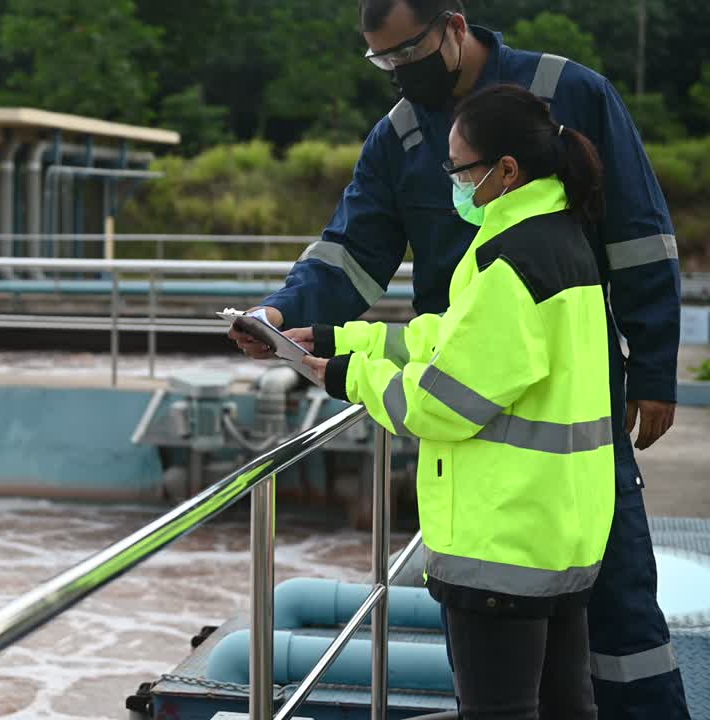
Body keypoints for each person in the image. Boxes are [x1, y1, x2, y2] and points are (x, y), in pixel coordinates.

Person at [228, 1, 689, 717]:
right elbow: (354, 252)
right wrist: (290, 315)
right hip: (484, 453)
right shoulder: (401, 135)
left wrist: (655, 369)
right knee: (543, 664)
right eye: (382, 61)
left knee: (615, 623)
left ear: (455, 24)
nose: (399, 74)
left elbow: (639, 240)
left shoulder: (569, 93)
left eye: (407, 53)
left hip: (555, 412)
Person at [304, 82, 613, 719]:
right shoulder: (558, 239)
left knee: (499, 711)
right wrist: (342, 336)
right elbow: (448, 339)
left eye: (459, 168)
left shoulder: (512, 262)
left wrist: (346, 378)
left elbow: (443, 401)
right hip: (557, 528)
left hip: (501, 539)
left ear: (505, 170)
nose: (453, 181)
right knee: (564, 707)